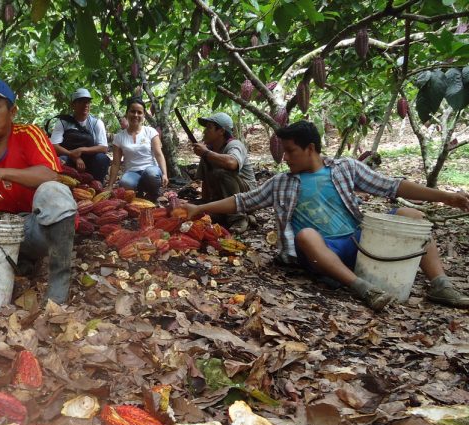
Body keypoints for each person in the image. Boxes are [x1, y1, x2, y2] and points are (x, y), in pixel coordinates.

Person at [185, 120, 469, 311]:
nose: (285, 158)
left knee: (411, 215)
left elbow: (392, 185)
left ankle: (440, 284)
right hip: (323, 251)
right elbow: (242, 201)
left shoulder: (345, 168)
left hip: (360, 242)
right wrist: (199, 209)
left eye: (290, 151)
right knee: (306, 235)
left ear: (311, 149)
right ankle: (362, 288)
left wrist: (446, 197)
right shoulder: (282, 182)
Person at [0, 77, 77, 304]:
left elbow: (51, 175)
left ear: (12, 112)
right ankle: (21, 261)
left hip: (35, 225)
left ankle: (58, 287)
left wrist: (2, 172)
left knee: (54, 191)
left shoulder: (29, 134)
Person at [193, 111, 256, 233]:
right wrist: (205, 203)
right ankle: (234, 215)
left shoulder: (234, 145)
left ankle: (238, 218)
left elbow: (232, 163)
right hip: (224, 199)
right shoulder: (208, 152)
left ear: (221, 131)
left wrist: (206, 153)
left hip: (247, 196)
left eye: (209, 128)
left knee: (222, 172)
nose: (205, 131)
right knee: (195, 213)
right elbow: (205, 182)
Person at [105, 97, 169, 201]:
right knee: (125, 183)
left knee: (151, 174)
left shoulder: (150, 132)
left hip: (150, 169)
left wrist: (165, 174)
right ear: (127, 113)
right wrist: (110, 185)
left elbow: (158, 154)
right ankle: (139, 192)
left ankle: (153, 194)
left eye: (139, 112)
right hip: (132, 172)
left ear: (144, 115)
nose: (136, 115)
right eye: (132, 111)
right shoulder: (119, 137)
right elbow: (116, 163)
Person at [49, 88, 111, 183]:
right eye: (81, 102)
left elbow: (103, 148)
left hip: (90, 161)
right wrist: (73, 155)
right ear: (73, 105)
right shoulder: (63, 122)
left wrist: (81, 150)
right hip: (69, 159)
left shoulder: (96, 123)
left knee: (102, 159)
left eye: (88, 102)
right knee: (60, 160)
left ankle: (96, 184)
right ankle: (67, 184)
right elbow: (54, 146)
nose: (85, 105)